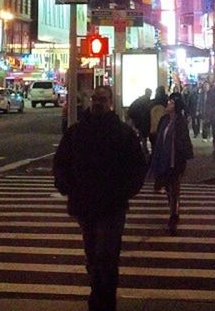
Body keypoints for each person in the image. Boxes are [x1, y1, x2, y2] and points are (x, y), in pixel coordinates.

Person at [53, 85, 146, 311]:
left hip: (111, 205)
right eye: (95, 98)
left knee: (107, 255)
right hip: (85, 204)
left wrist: (125, 192)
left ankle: (104, 301)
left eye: (102, 99)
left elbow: (138, 167)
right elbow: (61, 162)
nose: (97, 102)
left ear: (110, 102)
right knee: (93, 255)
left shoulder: (122, 133)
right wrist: (66, 187)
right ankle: (98, 294)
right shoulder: (77, 131)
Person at [150, 92, 194, 235]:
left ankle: (174, 216)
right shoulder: (164, 120)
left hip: (175, 161)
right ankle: (173, 210)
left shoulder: (180, 122)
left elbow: (183, 142)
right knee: (169, 189)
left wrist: (183, 159)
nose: (168, 105)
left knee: (174, 189)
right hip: (164, 159)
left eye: (171, 103)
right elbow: (159, 140)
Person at [127, 88, 152, 156]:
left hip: (138, 119)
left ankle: (143, 150)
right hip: (142, 120)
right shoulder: (147, 101)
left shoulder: (140, 100)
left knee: (141, 135)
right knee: (143, 135)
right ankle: (144, 150)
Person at [148, 86, 168, 151]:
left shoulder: (152, 103)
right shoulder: (166, 103)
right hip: (163, 129)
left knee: (154, 148)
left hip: (153, 130)